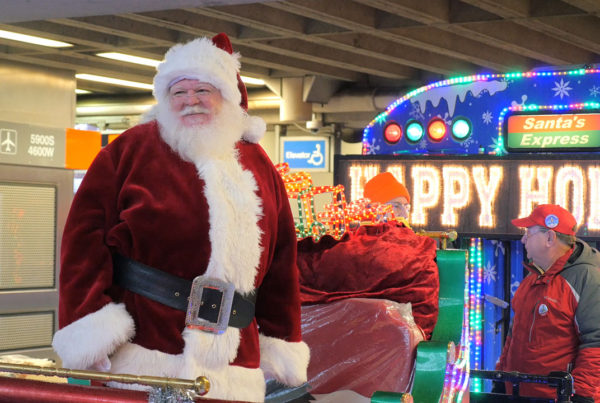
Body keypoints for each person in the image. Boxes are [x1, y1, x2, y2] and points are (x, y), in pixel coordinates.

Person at [52, 33, 309, 402]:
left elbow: (283, 265)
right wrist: (88, 326)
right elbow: (82, 246)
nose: (190, 101)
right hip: (144, 355)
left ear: (228, 96)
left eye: (203, 90)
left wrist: (281, 338)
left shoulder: (258, 165)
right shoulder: (128, 152)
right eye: (178, 92)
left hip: (235, 365)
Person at [496, 204, 600, 402]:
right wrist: (501, 377)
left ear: (550, 238)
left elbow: (596, 343)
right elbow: (514, 333)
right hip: (518, 395)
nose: (523, 239)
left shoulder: (588, 279)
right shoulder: (531, 279)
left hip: (559, 398)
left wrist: (581, 395)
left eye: (528, 232)